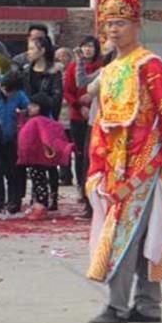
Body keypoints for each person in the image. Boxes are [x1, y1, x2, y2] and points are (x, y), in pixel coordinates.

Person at [85, 0, 162, 323]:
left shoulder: (150, 66)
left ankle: (117, 306)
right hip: (118, 165)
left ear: (137, 25)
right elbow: (102, 124)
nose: (114, 29)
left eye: (121, 22)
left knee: (127, 234)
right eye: (109, 23)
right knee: (144, 233)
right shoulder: (111, 70)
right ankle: (148, 304)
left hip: (148, 163)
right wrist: (97, 165)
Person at [22, 35, 64, 211]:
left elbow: (56, 98)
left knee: (49, 159)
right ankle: (39, 197)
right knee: (33, 160)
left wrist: (40, 104)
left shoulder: (54, 72)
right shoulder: (26, 70)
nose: (29, 52)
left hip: (47, 119)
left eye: (32, 49)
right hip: (29, 121)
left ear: (42, 50)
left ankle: (53, 195)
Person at [17, 93, 74, 220]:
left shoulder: (38, 122)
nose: (29, 108)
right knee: (37, 181)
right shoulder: (37, 121)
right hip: (35, 156)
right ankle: (37, 204)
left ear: (40, 108)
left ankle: (41, 206)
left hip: (37, 156)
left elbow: (46, 138)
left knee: (39, 181)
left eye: (33, 106)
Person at [64, 36, 102, 217]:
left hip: (108, 122)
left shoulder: (111, 67)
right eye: (85, 46)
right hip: (92, 121)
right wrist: (80, 105)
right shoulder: (105, 71)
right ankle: (88, 199)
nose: (88, 50)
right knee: (86, 159)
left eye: (91, 47)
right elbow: (80, 84)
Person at [0, 70, 29, 216]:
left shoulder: (18, 94)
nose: (7, 93)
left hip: (11, 137)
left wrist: (24, 112)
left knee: (13, 171)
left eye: (11, 91)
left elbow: (28, 106)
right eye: (5, 90)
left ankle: (14, 200)